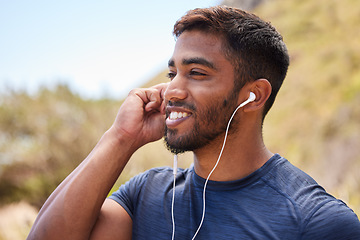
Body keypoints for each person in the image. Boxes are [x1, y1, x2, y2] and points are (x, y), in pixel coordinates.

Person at [27, 6, 360, 240]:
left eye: (196, 73)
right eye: (173, 73)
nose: (171, 88)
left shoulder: (317, 222)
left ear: (253, 96)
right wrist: (121, 137)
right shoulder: (146, 194)